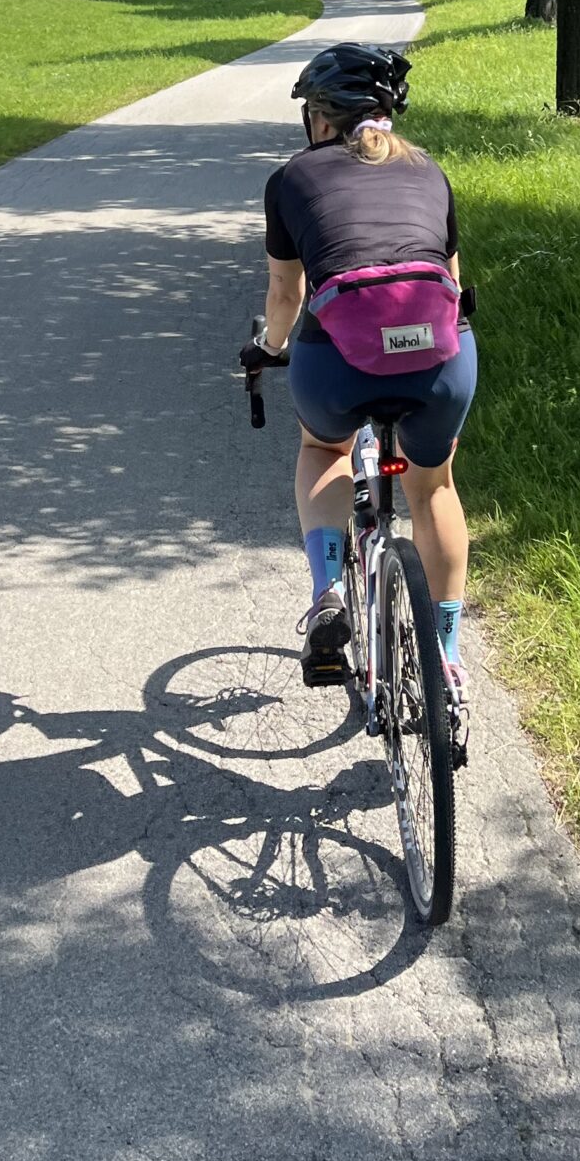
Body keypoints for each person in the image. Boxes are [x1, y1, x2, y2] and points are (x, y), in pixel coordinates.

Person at [243, 40, 477, 701]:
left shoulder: (292, 178)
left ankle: (329, 593)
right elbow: (453, 286)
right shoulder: (430, 170)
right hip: (440, 359)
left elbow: (287, 298)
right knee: (433, 488)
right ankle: (449, 658)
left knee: (323, 447)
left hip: (339, 362)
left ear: (320, 118)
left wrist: (269, 346)